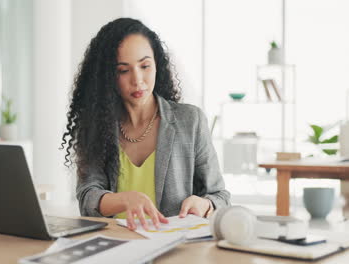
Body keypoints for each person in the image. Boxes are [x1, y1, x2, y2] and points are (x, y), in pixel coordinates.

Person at [61, 18, 230, 231]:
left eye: (145, 66)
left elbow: (220, 196)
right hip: (116, 246)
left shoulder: (190, 121)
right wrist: (125, 199)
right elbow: (87, 198)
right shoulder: (96, 126)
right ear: (108, 77)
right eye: (123, 70)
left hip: (176, 248)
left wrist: (205, 204)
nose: (138, 79)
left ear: (157, 64)